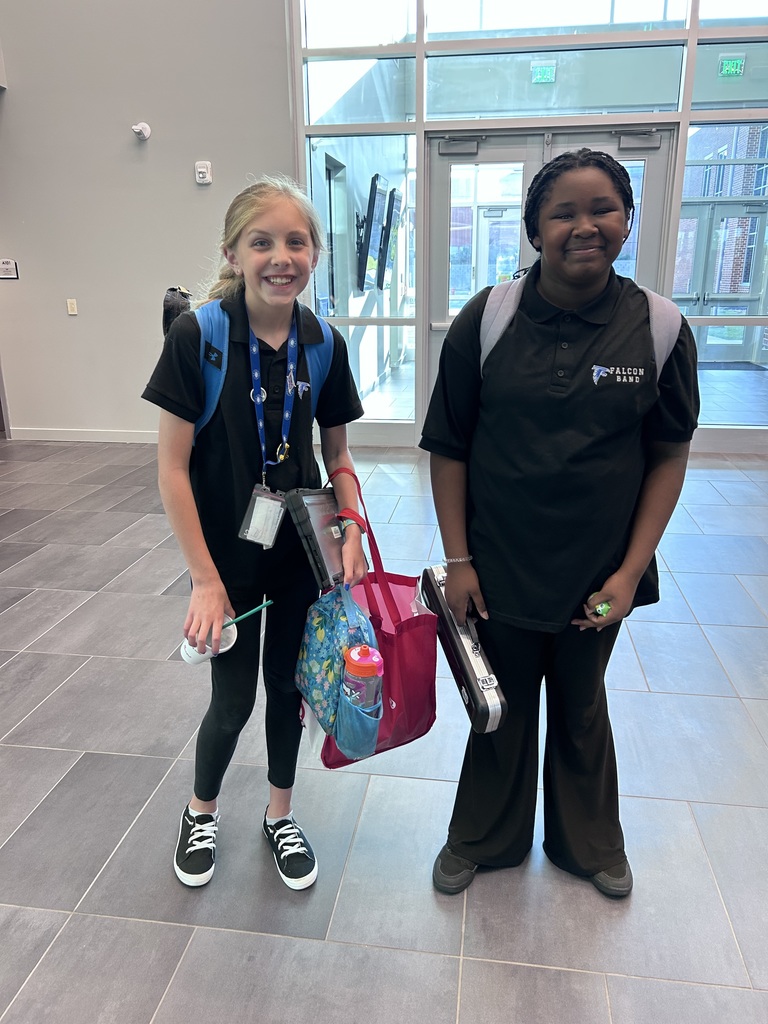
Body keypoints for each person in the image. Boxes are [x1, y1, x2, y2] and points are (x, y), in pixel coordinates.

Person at [420, 148, 699, 898]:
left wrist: (631, 569)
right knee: (500, 704)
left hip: (597, 572)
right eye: (564, 213)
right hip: (500, 562)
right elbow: (448, 449)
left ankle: (590, 844)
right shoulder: (488, 319)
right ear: (533, 230)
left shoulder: (660, 328)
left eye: (603, 209)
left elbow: (668, 457)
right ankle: (482, 836)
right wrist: (459, 562)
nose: (585, 225)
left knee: (580, 703)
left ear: (628, 221)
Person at [142, 176, 367, 891]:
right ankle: (199, 810)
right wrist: (204, 581)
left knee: (287, 691)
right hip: (227, 561)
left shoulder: (323, 341)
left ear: (314, 253)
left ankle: (279, 815)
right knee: (233, 699)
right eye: (261, 242)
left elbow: (338, 457)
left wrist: (353, 525)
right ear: (233, 253)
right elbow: (172, 471)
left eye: (295, 241)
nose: (280, 256)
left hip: (298, 550)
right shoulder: (199, 336)